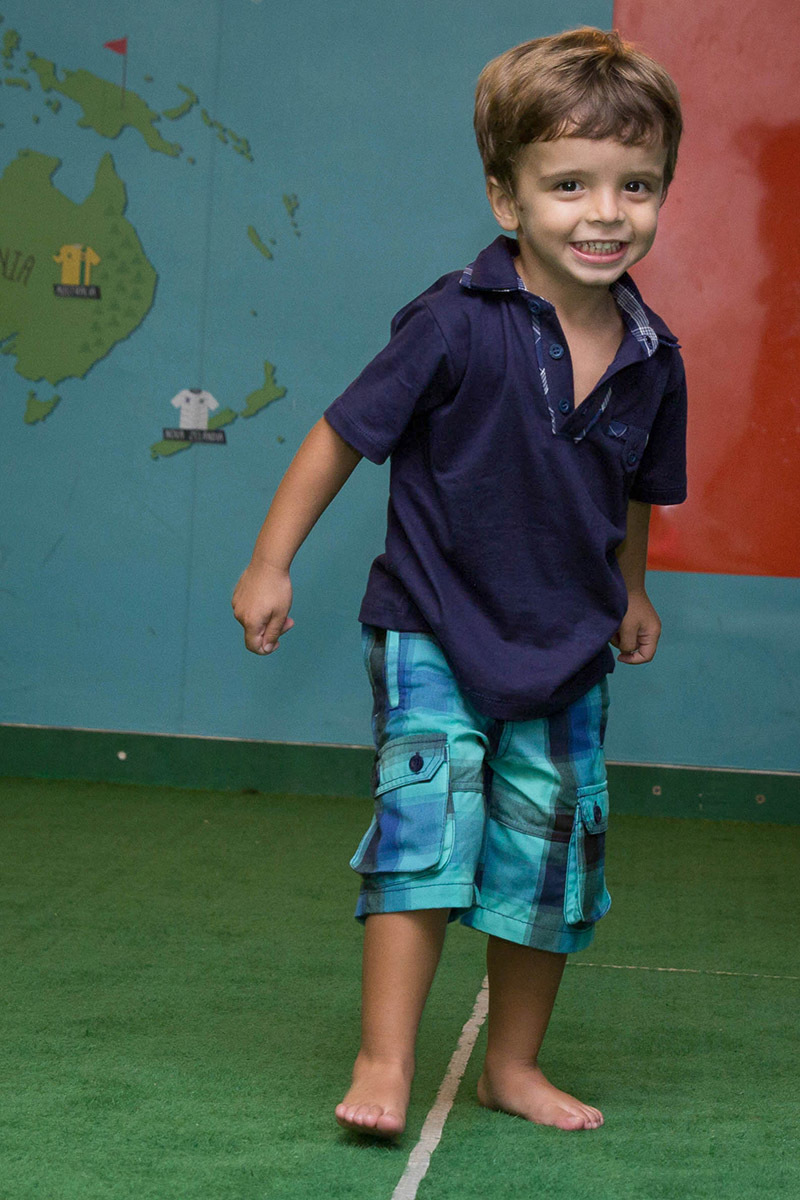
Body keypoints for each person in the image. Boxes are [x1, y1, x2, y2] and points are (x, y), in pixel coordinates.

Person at [232, 26, 686, 1137]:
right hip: (431, 624)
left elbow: (630, 490)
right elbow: (340, 436)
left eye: (635, 185)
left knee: (544, 860)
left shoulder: (653, 352)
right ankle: (383, 1061)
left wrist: (628, 587)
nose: (604, 212)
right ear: (505, 197)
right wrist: (269, 559)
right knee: (425, 833)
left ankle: (510, 1067)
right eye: (568, 184)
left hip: (566, 643)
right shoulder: (451, 323)